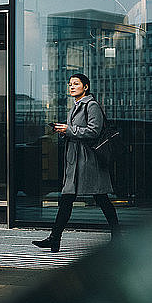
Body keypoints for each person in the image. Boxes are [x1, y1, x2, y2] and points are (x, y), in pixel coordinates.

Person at [33, 73, 120, 252]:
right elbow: (77, 130)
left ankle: (117, 236)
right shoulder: (75, 106)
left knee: (101, 198)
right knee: (67, 199)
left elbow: (94, 131)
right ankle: (54, 238)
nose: (72, 87)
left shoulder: (91, 105)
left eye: (76, 84)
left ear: (85, 87)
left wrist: (69, 129)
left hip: (89, 160)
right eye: (70, 84)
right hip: (76, 159)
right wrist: (64, 130)